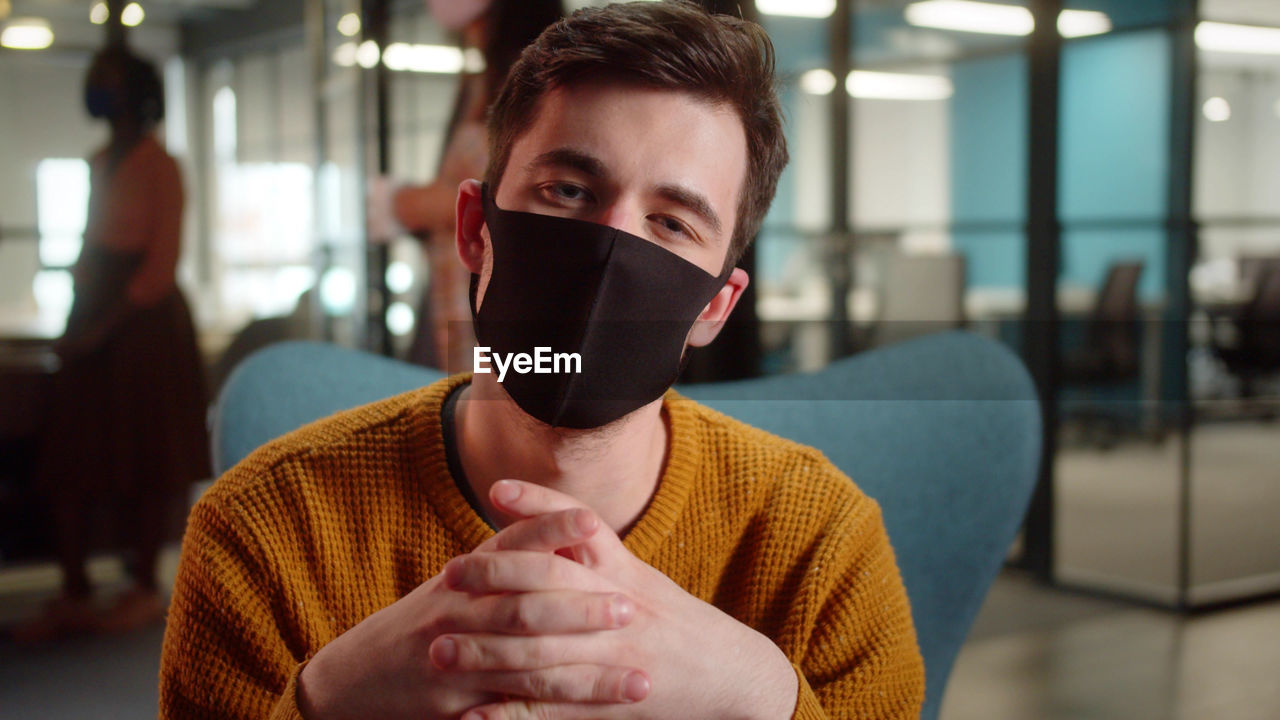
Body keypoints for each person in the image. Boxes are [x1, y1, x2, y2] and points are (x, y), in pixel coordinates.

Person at [159, 3, 925, 718]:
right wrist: (330, 696)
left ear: (714, 307)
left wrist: (759, 690)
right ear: (474, 230)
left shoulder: (823, 547)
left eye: (671, 222)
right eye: (568, 189)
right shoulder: (261, 533)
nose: (610, 251)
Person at [14, 45, 210, 643]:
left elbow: (161, 262)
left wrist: (103, 327)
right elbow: (89, 244)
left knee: (146, 455)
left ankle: (144, 588)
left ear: (137, 91)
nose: (100, 87)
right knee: (72, 454)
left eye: (111, 79)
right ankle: (74, 592)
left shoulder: (162, 165)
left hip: (143, 327)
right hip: (94, 313)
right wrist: (78, 309)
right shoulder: (99, 159)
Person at [380, 0, 563, 371]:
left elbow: (512, 199)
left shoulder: (538, 88)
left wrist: (413, 204)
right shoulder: (480, 84)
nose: (471, 36)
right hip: (453, 288)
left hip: (494, 299)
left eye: (480, 24)